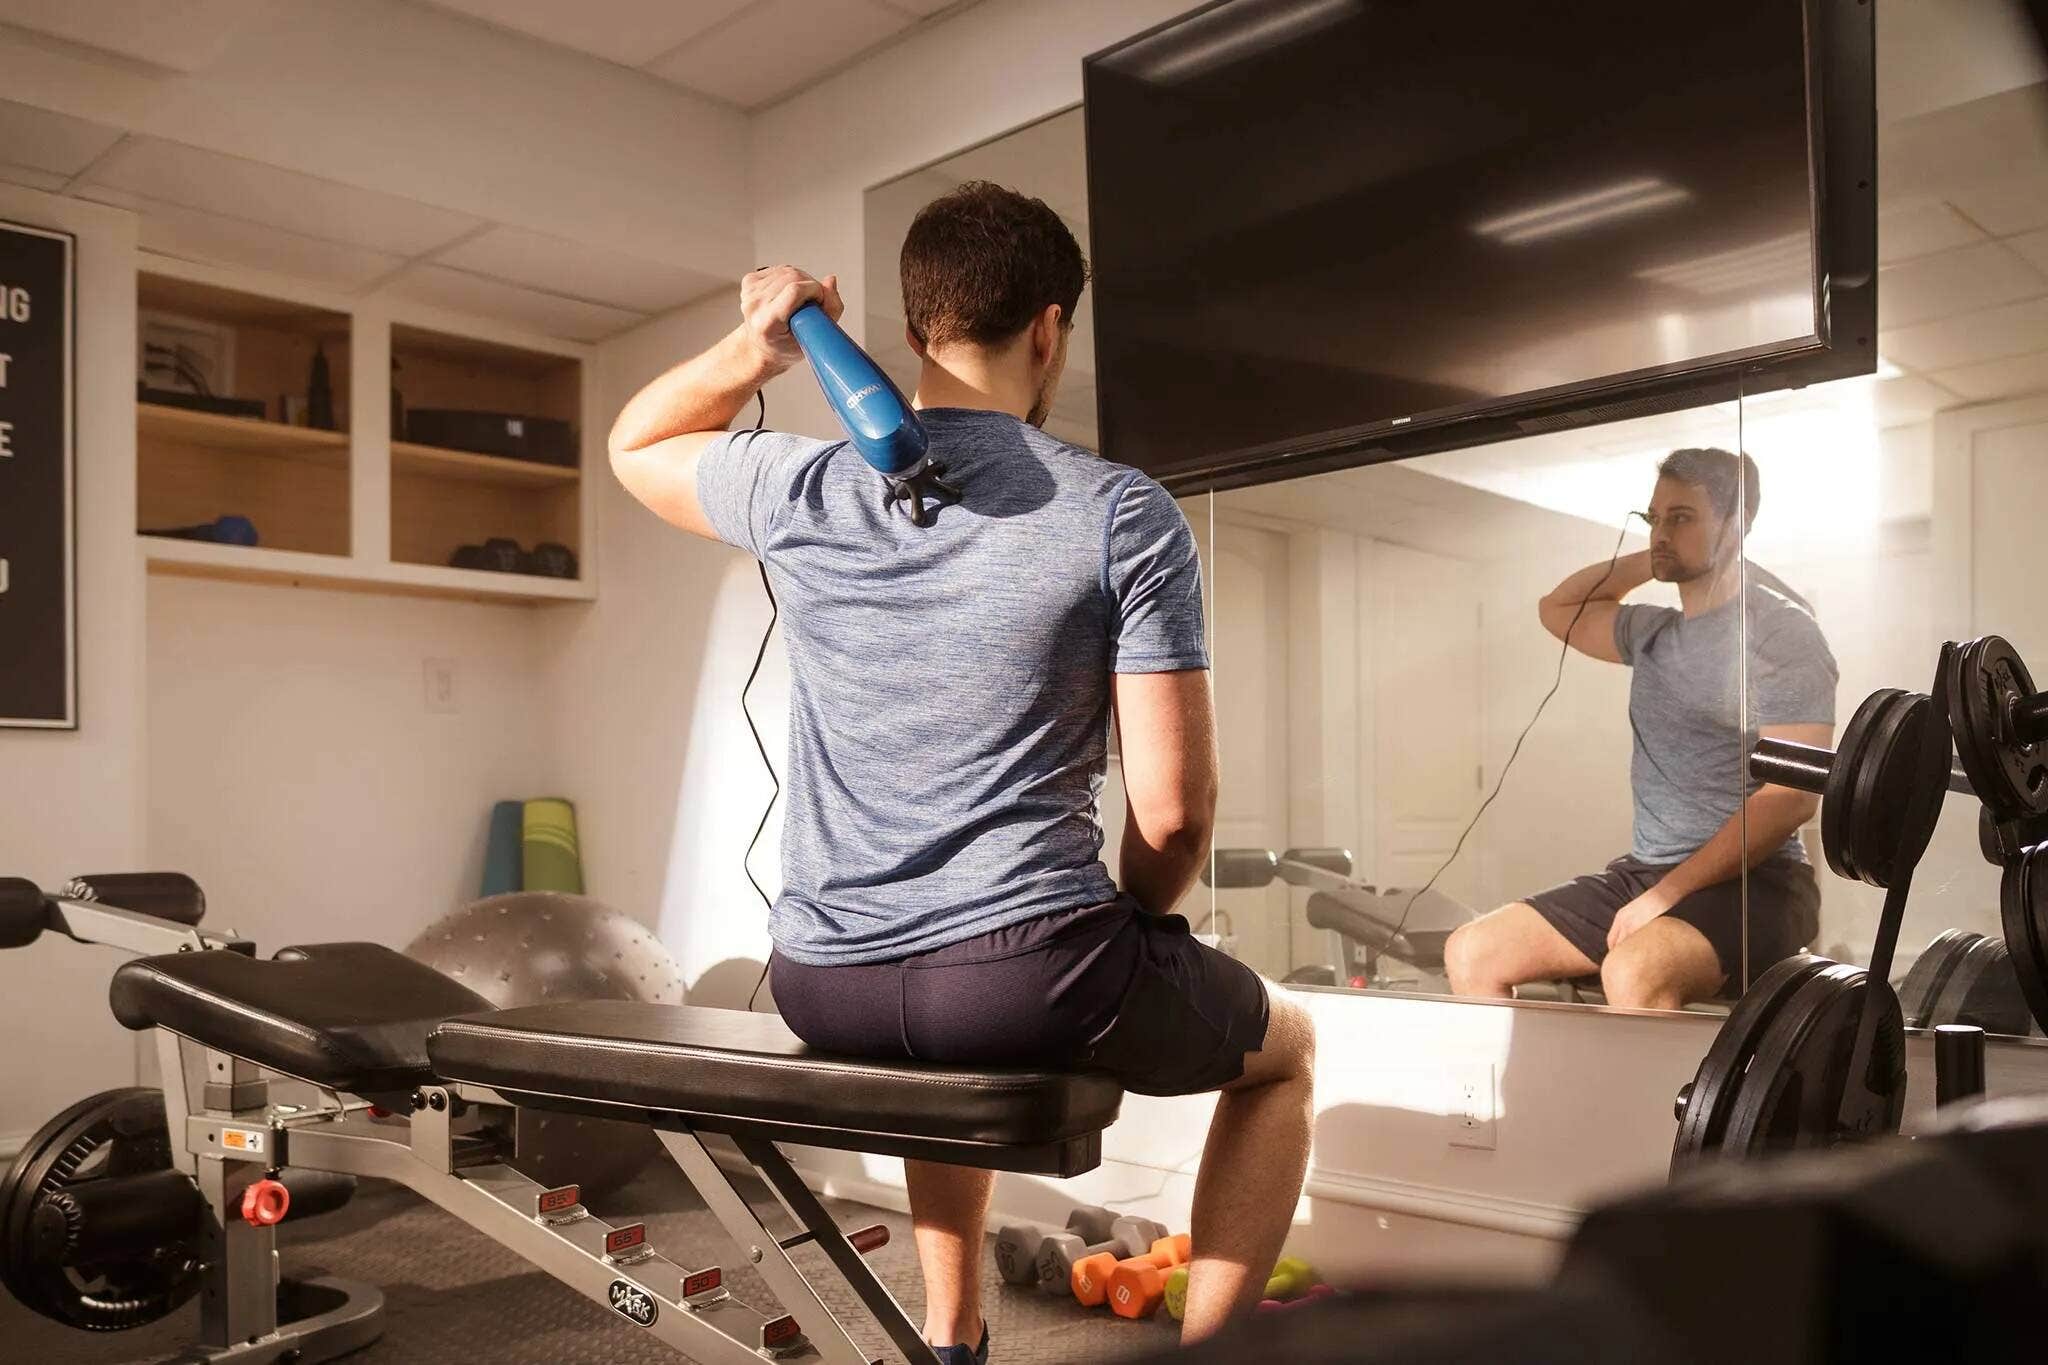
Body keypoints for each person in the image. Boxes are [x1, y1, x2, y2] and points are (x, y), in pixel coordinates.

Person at [607, 181, 1314, 1357]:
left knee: (942, 1034)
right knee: (1283, 1056)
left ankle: (952, 1337)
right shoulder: (1118, 514)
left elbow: (637, 442)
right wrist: (1132, 925)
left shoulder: (807, 484)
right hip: (1021, 971)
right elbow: (1175, 814)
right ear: (1048, 328)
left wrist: (758, 342)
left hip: (820, 974)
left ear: (911, 325)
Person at [1443, 448, 1835, 1011]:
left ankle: (1662, 1105)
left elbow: (1791, 798)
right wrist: (1655, 554)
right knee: (1472, 952)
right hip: (1648, 872)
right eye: (1654, 519)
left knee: (1633, 972)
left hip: (1761, 883)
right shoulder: (1653, 632)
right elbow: (1559, 606)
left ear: (1736, 524)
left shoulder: (1781, 633)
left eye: (1682, 517)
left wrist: (1668, 894)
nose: (1660, 533)